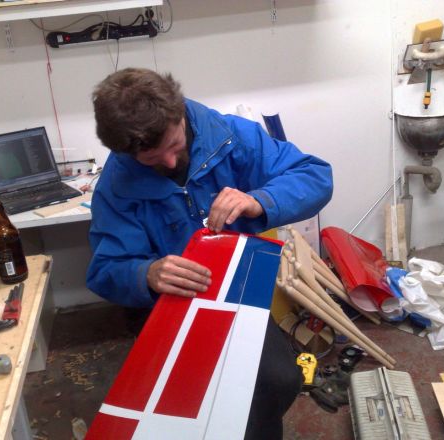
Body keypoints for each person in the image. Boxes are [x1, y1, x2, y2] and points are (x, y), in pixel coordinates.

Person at [86, 67, 333, 439]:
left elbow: (316, 176)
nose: (170, 164)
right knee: (191, 405)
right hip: (168, 305)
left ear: (179, 113)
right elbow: (105, 269)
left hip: (235, 292)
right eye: (152, 160)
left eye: (174, 146)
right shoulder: (116, 184)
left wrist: (260, 200)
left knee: (279, 381)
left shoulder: (230, 137)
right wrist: (146, 274)